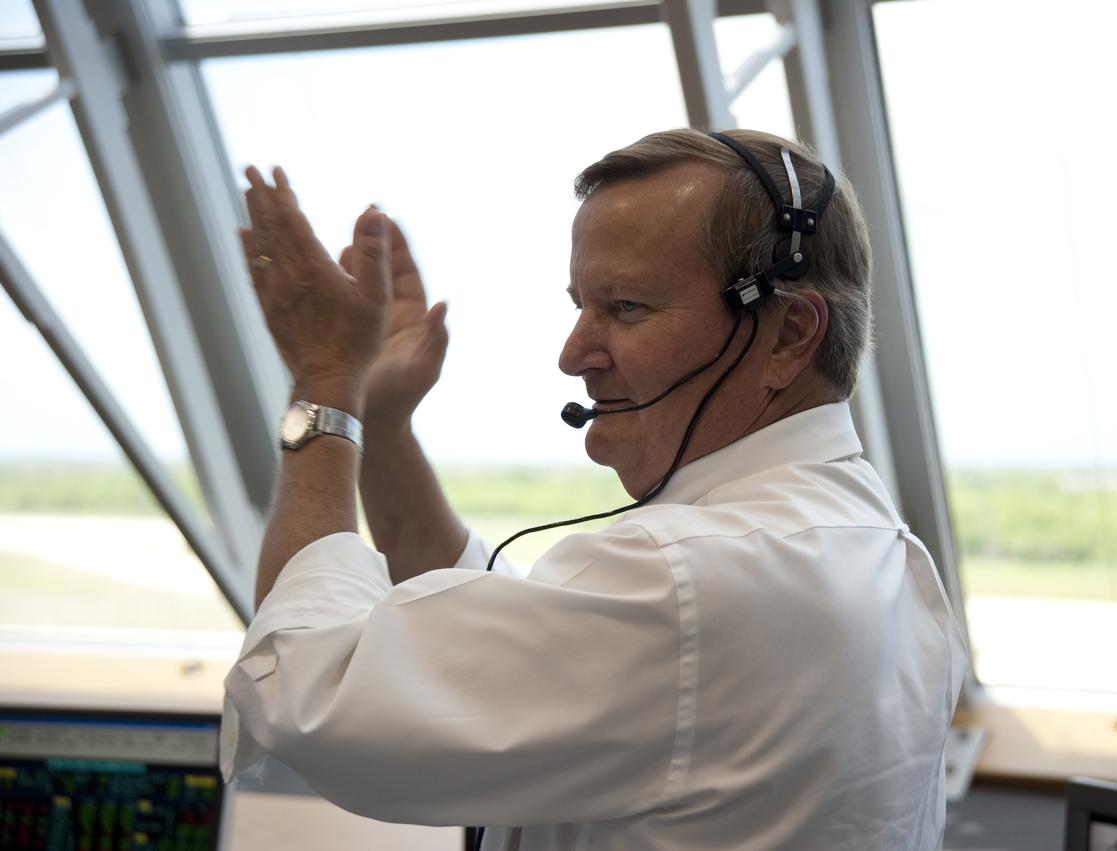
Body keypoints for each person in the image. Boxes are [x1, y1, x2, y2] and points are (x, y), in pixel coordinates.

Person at [222, 128, 967, 850]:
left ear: (787, 335)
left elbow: (296, 686)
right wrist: (383, 427)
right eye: (578, 303)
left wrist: (326, 380)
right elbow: (548, 663)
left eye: (625, 307)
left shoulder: (690, 579)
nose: (572, 353)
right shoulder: (886, 558)